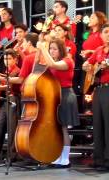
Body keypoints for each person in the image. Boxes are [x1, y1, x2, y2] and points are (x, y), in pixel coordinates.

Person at [38, 38, 79, 168]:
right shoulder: (54, 61)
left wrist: (43, 48)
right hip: (55, 96)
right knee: (57, 129)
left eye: (54, 49)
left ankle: (65, 158)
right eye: (50, 48)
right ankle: (59, 156)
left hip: (66, 95)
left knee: (63, 128)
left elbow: (53, 65)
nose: (52, 51)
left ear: (61, 50)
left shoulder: (68, 61)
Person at [82, 24, 109, 171]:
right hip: (97, 90)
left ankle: (107, 160)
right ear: (101, 35)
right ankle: (98, 159)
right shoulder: (98, 50)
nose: (108, 35)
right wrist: (88, 66)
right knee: (97, 124)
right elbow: (87, 63)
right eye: (105, 32)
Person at [0, 49, 21, 162]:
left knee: (12, 128)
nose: (6, 61)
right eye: (5, 59)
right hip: (6, 100)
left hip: (14, 100)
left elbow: (9, 86)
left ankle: (12, 155)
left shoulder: (17, 70)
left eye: (9, 58)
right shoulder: (6, 71)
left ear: (15, 59)